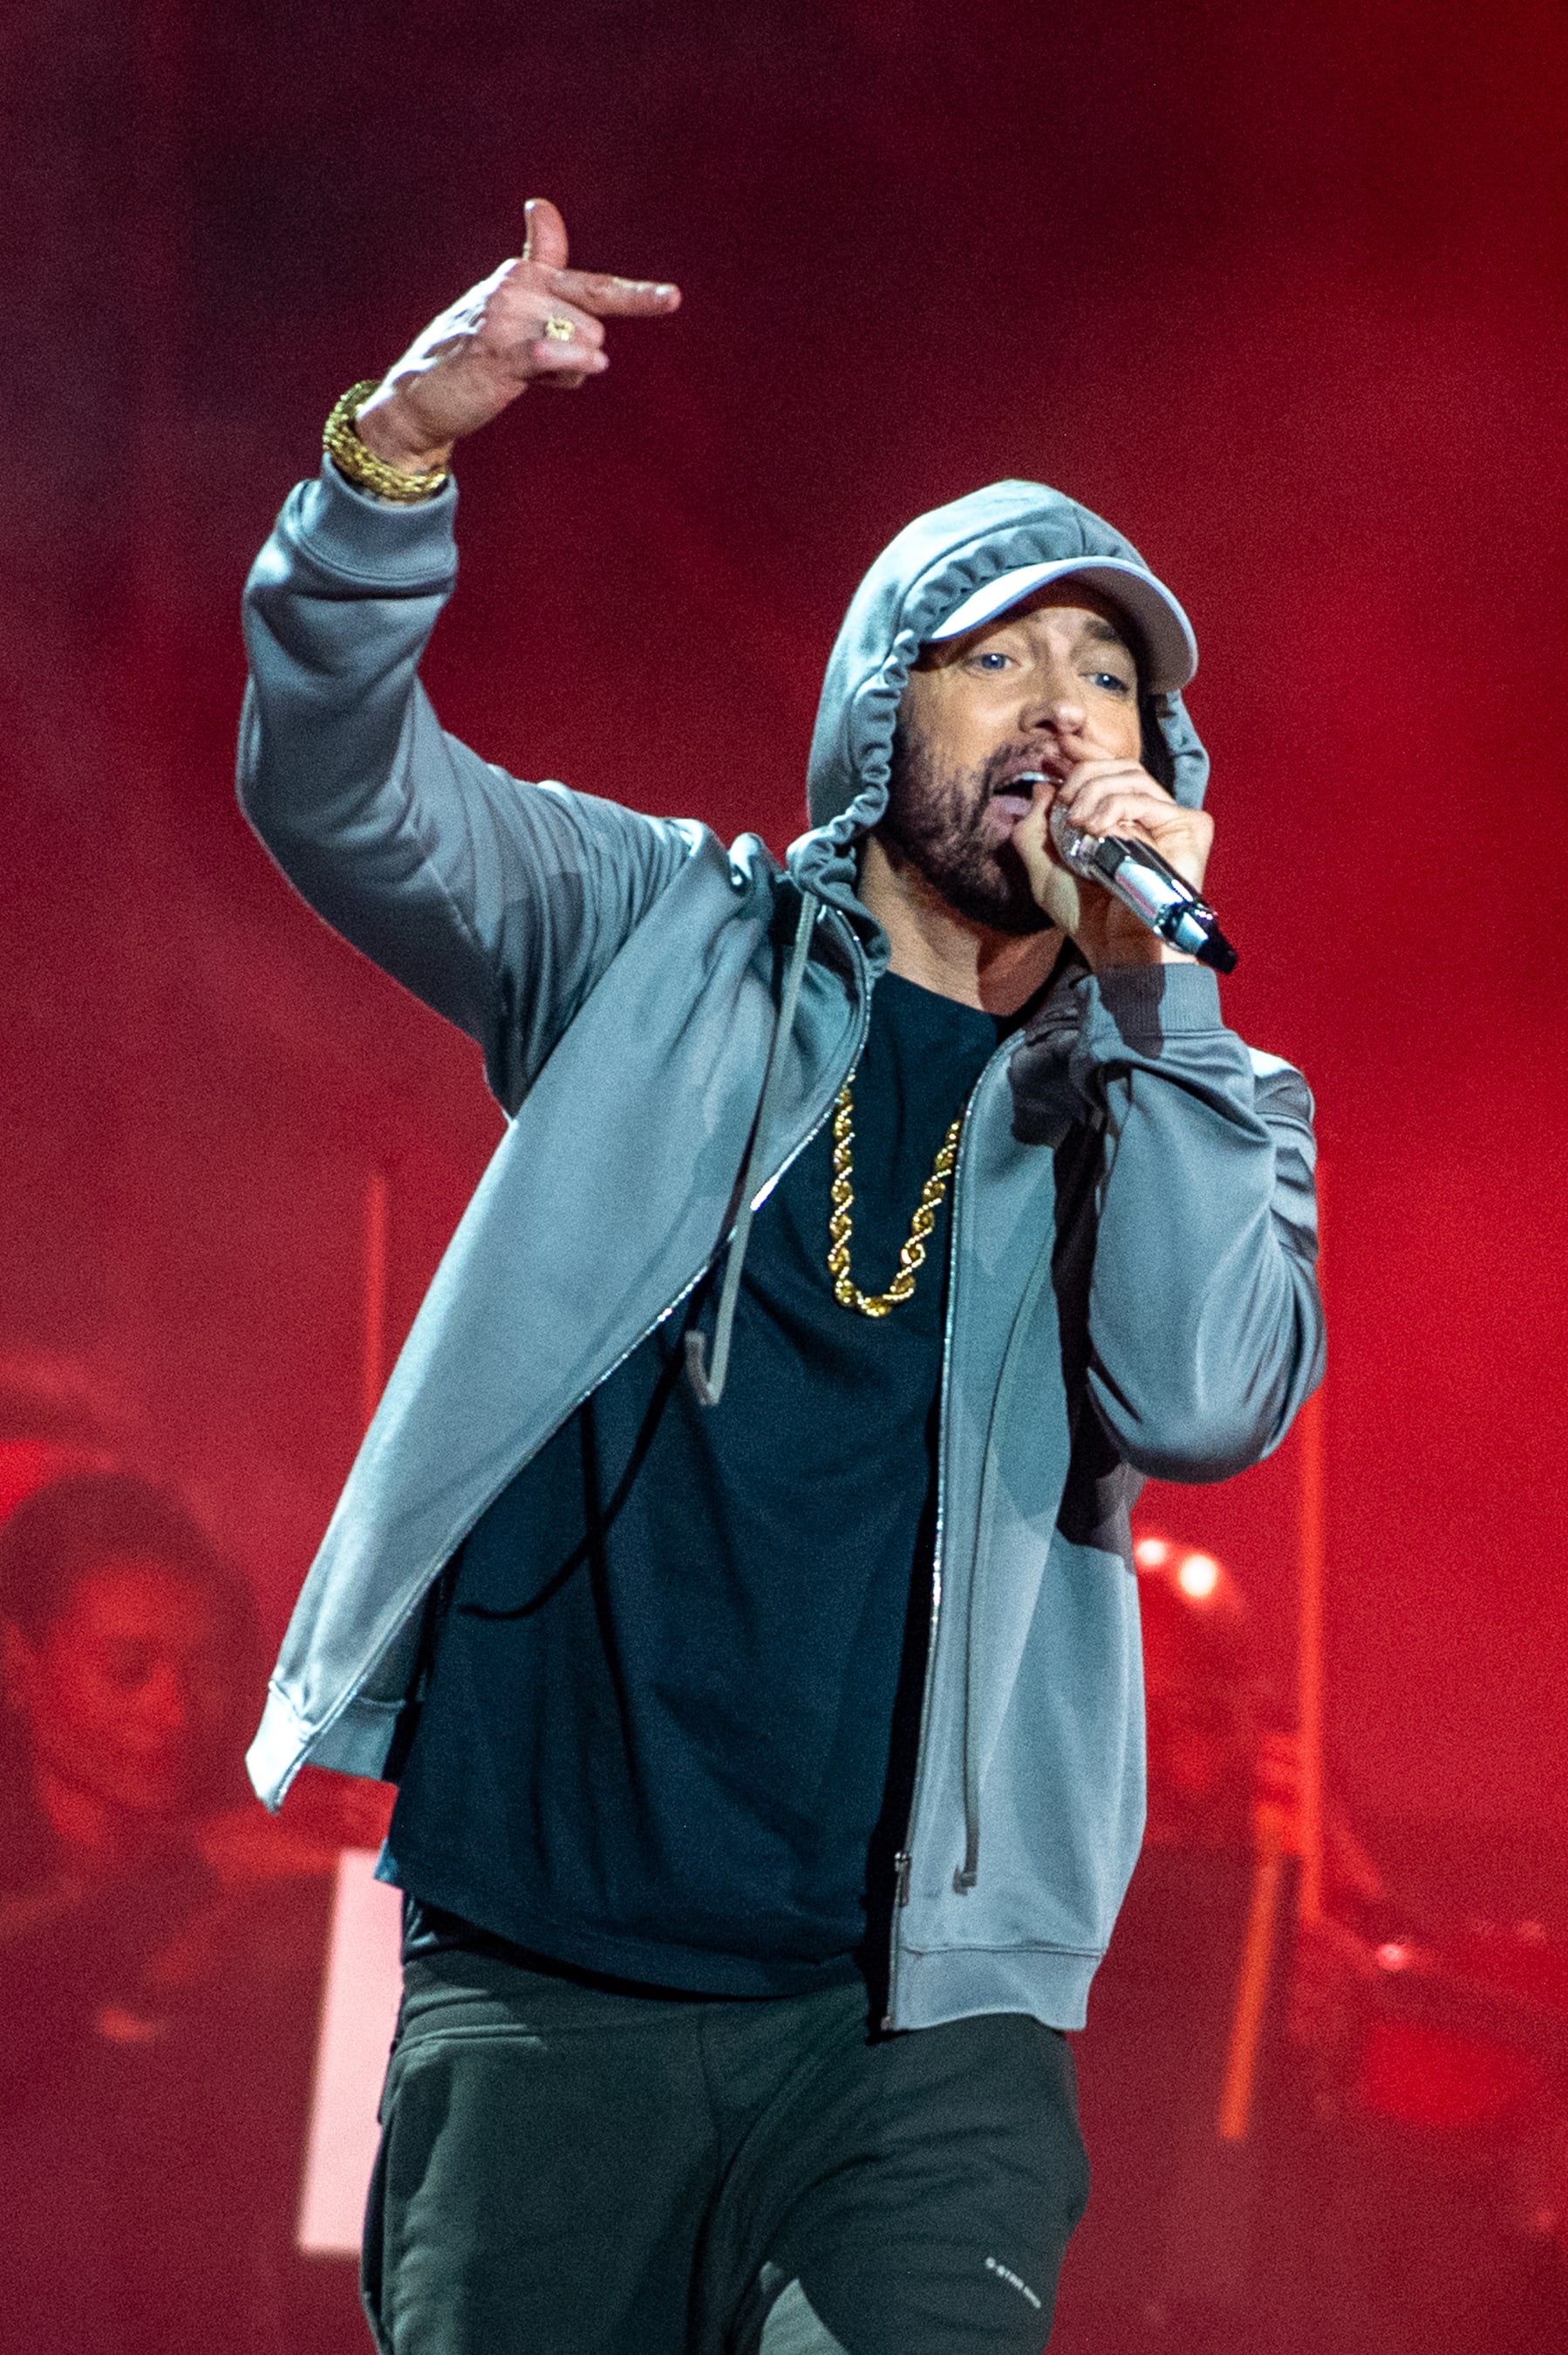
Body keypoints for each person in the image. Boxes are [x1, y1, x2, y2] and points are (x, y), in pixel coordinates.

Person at [238, 197, 1325, 2355]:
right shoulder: (651, 933)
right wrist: (392, 461)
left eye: (1107, 678)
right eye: (995, 653)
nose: (1059, 709)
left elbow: (1202, 1402)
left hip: (914, 2037)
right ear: (872, 707)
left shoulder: (1190, 1087)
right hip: (540, 1979)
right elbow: (339, 792)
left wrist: (1155, 1021)